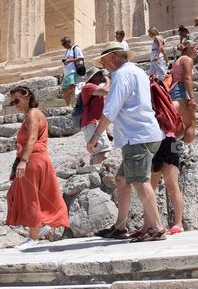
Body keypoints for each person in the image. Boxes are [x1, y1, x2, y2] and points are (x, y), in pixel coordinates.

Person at [87, 42, 166, 242]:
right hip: (144, 134)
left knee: (139, 180)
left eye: (103, 61)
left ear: (113, 57)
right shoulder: (137, 71)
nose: (103, 65)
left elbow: (110, 110)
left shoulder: (121, 75)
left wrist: (96, 136)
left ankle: (156, 227)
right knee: (122, 179)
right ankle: (120, 227)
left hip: (137, 136)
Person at [5, 86, 70, 249]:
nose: (15, 104)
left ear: (27, 97)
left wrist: (23, 161)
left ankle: (33, 239)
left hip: (33, 160)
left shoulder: (33, 114)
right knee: (21, 194)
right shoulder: (31, 114)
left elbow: (32, 138)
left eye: (17, 100)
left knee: (30, 198)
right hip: (37, 159)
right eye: (13, 102)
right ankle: (42, 226)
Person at [150, 136, 184, 235]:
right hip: (154, 145)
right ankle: (148, 225)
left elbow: (183, 130)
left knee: (173, 186)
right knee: (149, 188)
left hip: (172, 143)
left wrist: (177, 140)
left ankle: (179, 224)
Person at [78, 68, 112, 165]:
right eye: (99, 75)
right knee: (101, 151)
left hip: (93, 123)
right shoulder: (88, 86)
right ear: (94, 77)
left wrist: (106, 128)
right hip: (92, 123)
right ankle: (95, 173)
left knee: (96, 151)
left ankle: (93, 174)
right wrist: (107, 78)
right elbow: (106, 90)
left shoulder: (94, 88)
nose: (101, 77)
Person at [170, 40, 198, 144]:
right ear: (190, 49)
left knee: (181, 128)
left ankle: (173, 152)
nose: (197, 51)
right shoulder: (187, 59)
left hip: (173, 91)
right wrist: (192, 99)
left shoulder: (179, 60)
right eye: (196, 48)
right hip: (180, 91)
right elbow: (187, 79)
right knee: (191, 124)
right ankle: (187, 150)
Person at [59, 37, 85, 106]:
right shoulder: (67, 51)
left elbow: (81, 57)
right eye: (62, 44)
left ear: (68, 42)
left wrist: (70, 60)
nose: (63, 45)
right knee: (64, 90)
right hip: (67, 73)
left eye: (64, 43)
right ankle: (69, 105)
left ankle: (77, 102)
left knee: (72, 87)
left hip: (73, 71)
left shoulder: (75, 48)